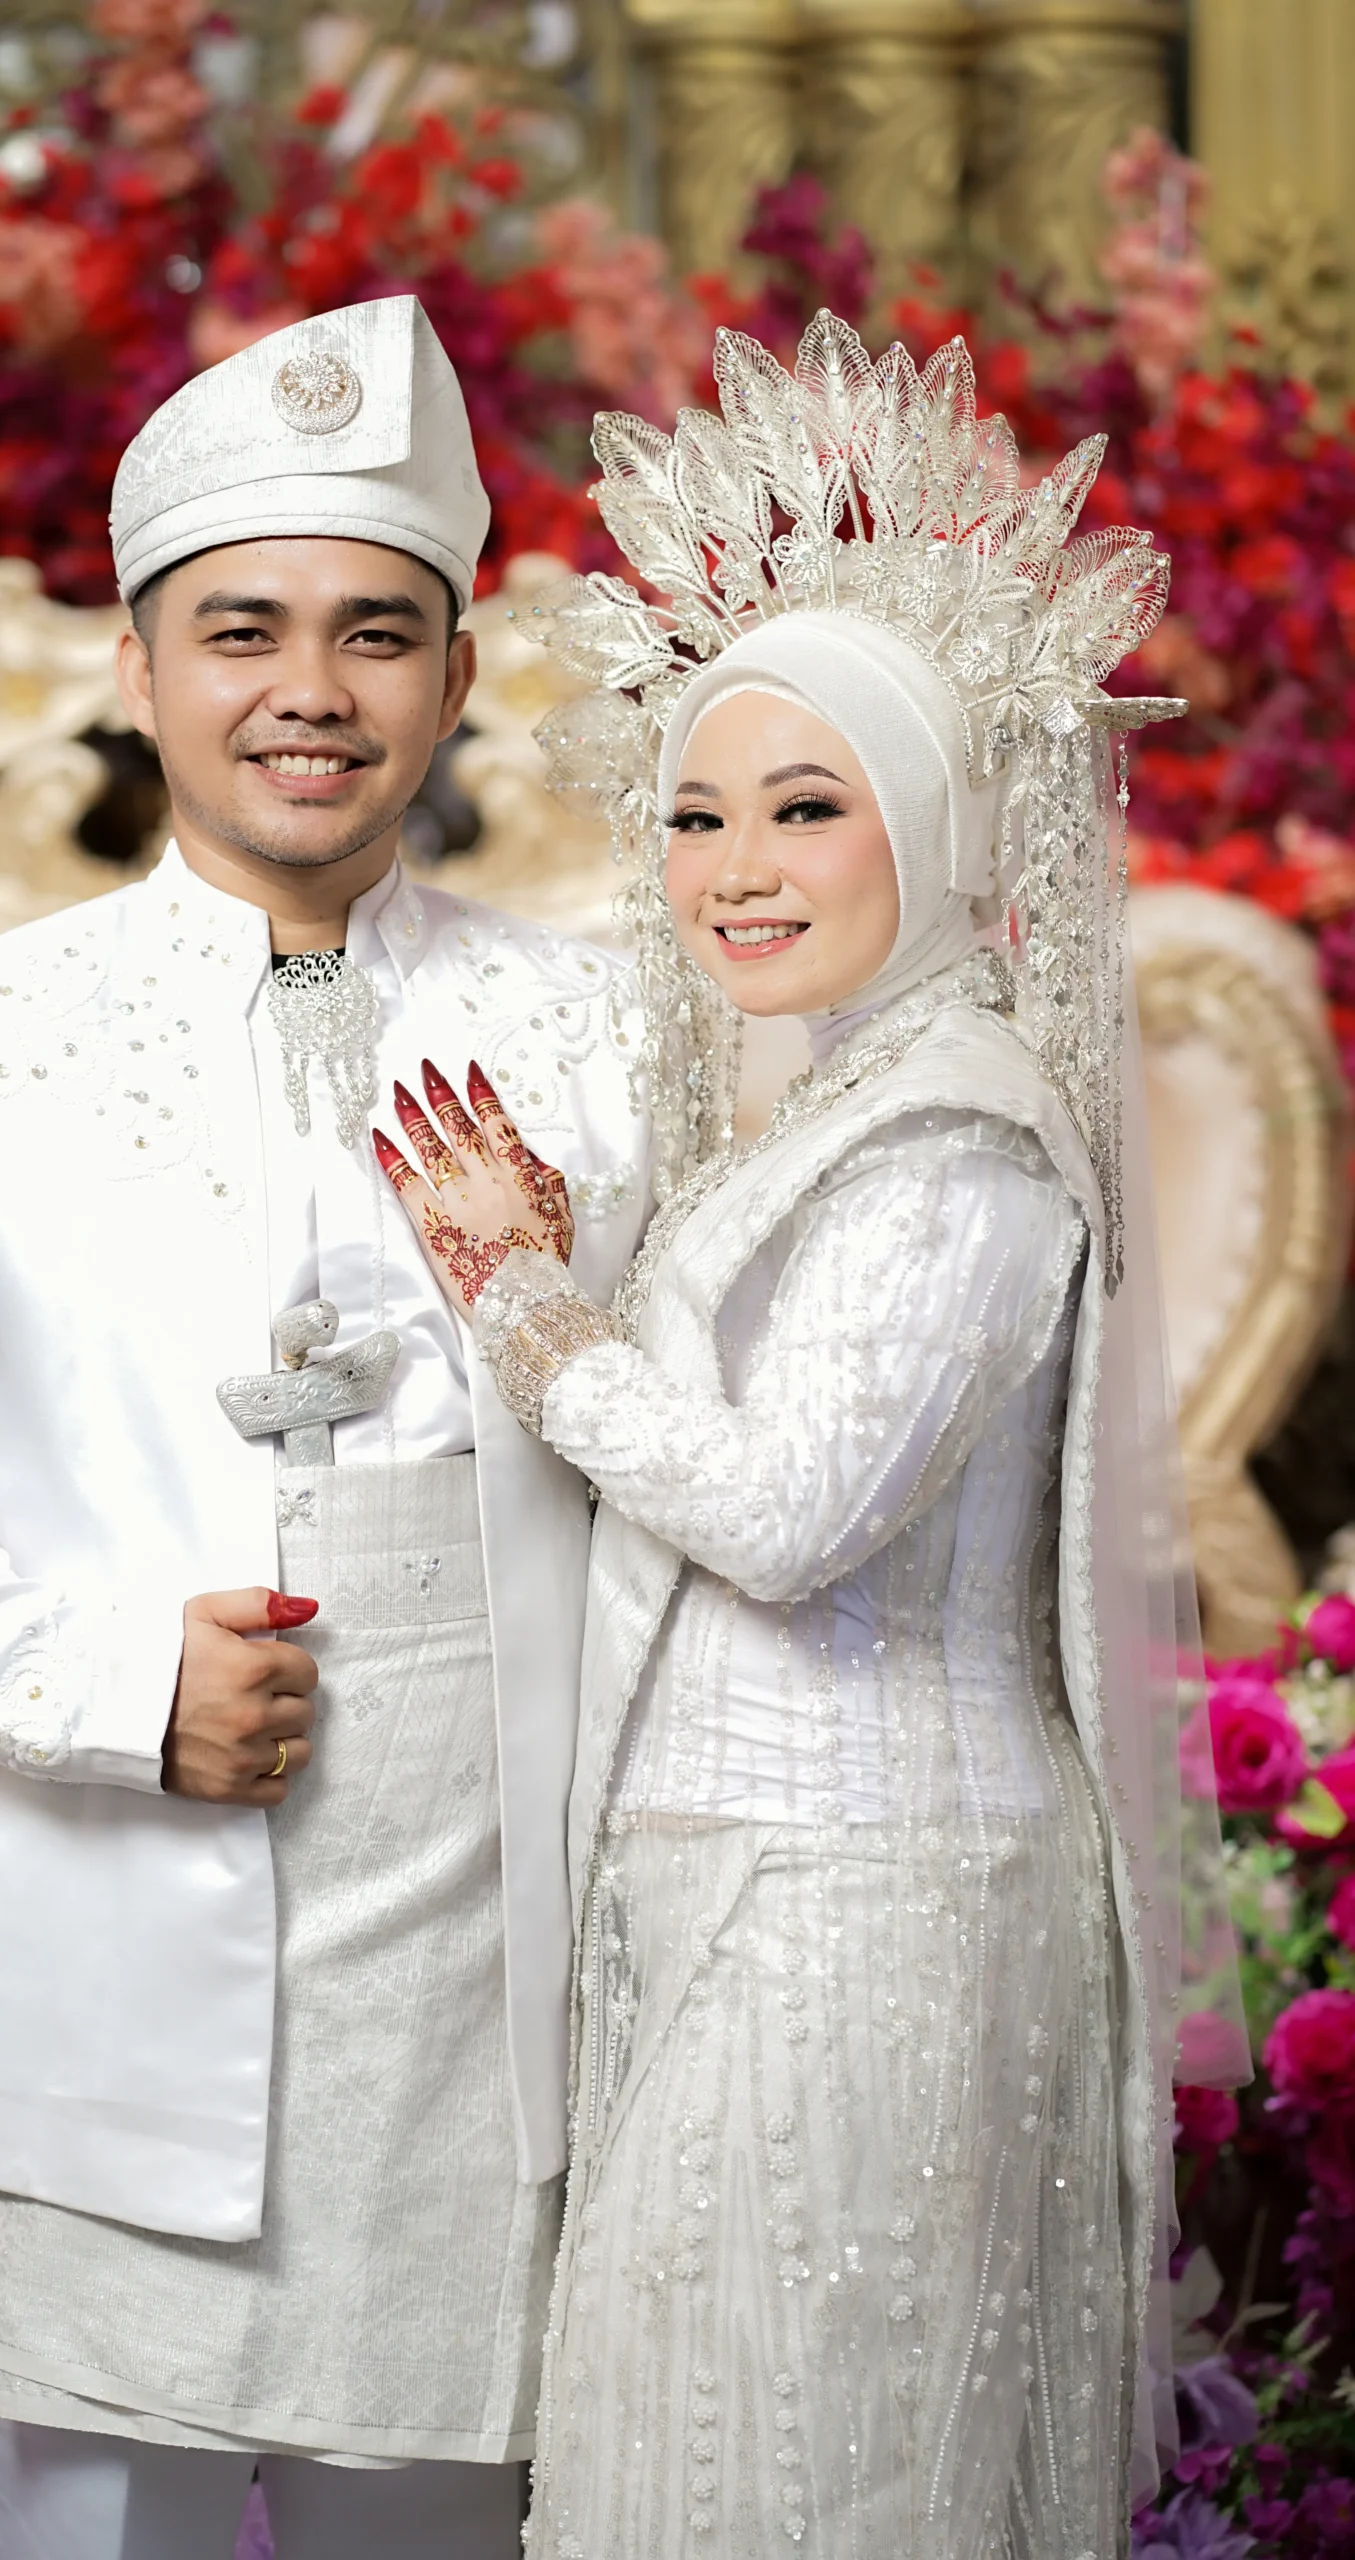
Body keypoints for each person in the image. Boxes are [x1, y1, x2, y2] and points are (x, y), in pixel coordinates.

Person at [0, 295, 652, 2560]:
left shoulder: (610, 1025)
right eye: (242, 630)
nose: (309, 688)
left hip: (488, 2033)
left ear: (454, 674)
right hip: (96, 2002)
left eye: (374, 632)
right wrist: (112, 1686)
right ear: (134, 668)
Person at [377, 312, 1247, 2559]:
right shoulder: (834, 1107)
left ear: (935, 826)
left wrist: (523, 1301)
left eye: (803, 806)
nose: (733, 866)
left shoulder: (958, 1139)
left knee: (815, 2472)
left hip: (868, 1904)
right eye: (694, 811)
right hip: (750, 1886)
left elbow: (780, 1511)